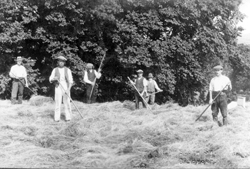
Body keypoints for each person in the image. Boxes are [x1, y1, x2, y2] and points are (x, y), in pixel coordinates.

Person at [49, 56, 73, 122]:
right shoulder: (55, 69)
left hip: (66, 86)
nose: (61, 63)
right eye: (60, 61)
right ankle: (57, 118)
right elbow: (50, 79)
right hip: (58, 86)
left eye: (62, 62)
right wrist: (54, 79)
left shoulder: (68, 70)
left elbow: (71, 81)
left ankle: (68, 117)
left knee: (67, 102)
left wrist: (68, 89)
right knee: (57, 102)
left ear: (64, 63)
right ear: (58, 62)